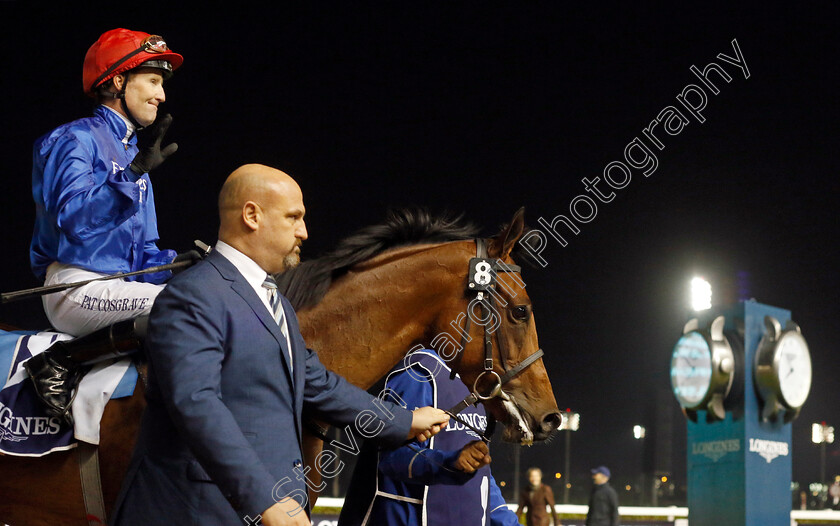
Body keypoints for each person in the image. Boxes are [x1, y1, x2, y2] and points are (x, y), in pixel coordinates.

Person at [110, 164, 451, 526]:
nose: (303, 231)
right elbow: (197, 406)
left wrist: (403, 420)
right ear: (252, 215)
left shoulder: (276, 302)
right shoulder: (193, 295)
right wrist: (263, 500)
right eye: (293, 217)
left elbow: (316, 382)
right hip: (201, 511)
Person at [24, 28, 195, 424]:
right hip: (74, 285)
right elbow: (72, 220)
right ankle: (56, 362)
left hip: (119, 287)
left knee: (201, 294)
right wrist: (131, 174)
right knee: (186, 309)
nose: (161, 94)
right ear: (118, 81)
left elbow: (144, 252)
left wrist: (177, 266)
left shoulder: (136, 158)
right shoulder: (73, 139)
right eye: (152, 81)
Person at [338, 347, 519, 526]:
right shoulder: (418, 371)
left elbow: (481, 476)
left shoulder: (475, 387)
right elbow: (390, 459)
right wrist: (451, 462)